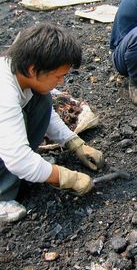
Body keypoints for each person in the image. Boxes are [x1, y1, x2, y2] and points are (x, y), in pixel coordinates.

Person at [0, 23, 104, 223]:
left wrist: (75, 143)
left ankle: (30, 171)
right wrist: (67, 178)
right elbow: (18, 159)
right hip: (11, 154)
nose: (61, 82)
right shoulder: (4, 92)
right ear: (33, 69)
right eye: (59, 76)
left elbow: (46, 114)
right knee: (20, 160)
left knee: (43, 99)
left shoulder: (20, 73)